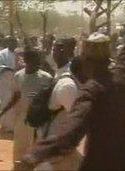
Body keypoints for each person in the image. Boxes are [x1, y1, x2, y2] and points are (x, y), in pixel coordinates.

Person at [21, 22, 125, 171]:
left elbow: (69, 132)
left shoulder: (91, 92)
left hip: (102, 162)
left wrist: (34, 155)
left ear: (86, 61)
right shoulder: (121, 77)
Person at [34, 38, 83, 171]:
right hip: (56, 139)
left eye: (60, 48)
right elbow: (77, 116)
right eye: (55, 48)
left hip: (55, 137)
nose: (55, 52)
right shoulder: (66, 81)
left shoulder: (66, 73)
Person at [0, 50, 53, 166]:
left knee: (36, 149)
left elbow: (50, 100)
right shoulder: (18, 76)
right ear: (27, 61)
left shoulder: (46, 77)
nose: (37, 63)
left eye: (38, 61)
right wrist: (3, 111)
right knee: (20, 149)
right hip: (22, 119)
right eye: (34, 60)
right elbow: (15, 97)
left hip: (39, 121)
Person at [0, 36, 18, 132]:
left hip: (15, 82)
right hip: (4, 82)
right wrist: (10, 69)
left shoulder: (18, 53)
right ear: (8, 43)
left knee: (15, 104)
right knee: (6, 102)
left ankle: (12, 126)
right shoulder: (2, 54)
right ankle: (5, 125)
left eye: (15, 42)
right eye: (12, 42)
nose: (14, 44)